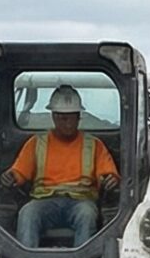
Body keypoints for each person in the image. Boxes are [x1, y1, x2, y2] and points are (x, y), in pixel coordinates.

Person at [6, 84, 118, 248]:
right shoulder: (37, 143)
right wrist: (11, 177)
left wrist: (111, 180)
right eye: (63, 118)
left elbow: (108, 173)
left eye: (72, 117)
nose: (68, 123)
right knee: (28, 213)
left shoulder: (94, 145)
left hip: (81, 201)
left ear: (79, 117)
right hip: (45, 201)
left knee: (86, 215)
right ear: (54, 117)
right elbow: (19, 172)